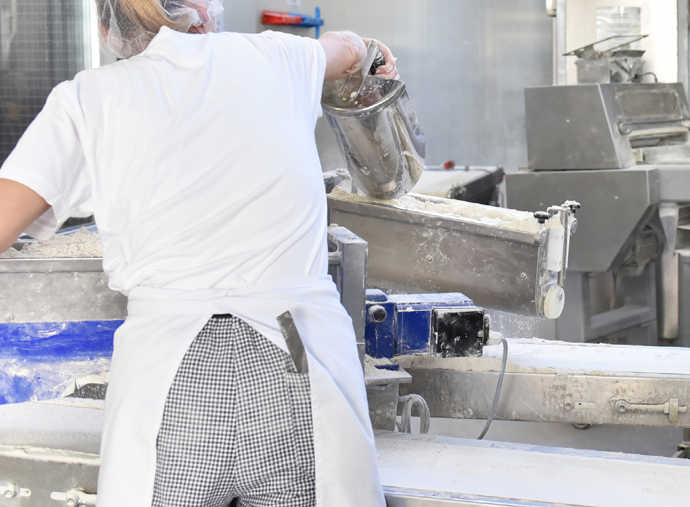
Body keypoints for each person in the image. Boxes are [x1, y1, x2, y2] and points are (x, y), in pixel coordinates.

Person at [0, 0, 400, 505]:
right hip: (295, 349)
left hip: (171, 371)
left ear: (108, 31)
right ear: (207, 15)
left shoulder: (89, 99)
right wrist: (369, 50)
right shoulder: (279, 56)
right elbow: (345, 50)